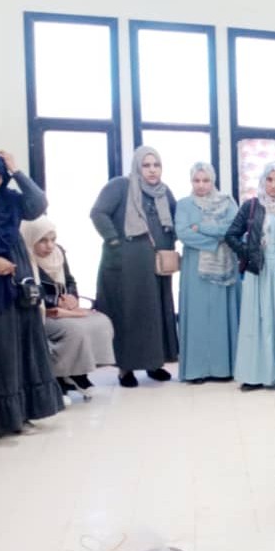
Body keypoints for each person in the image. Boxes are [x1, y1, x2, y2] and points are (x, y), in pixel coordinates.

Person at [0, 150, 62, 444]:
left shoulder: (10, 201)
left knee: (18, 346)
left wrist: (16, 171)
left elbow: (38, 204)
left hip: (15, 283)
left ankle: (17, 415)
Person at [91, 146, 178, 388]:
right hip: (126, 266)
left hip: (156, 266)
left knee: (155, 314)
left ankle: (154, 363)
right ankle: (125, 368)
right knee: (130, 313)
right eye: (146, 165)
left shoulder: (163, 192)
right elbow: (98, 213)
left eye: (156, 165)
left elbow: (175, 218)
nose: (152, 170)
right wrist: (114, 240)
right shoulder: (120, 186)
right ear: (137, 167)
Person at [226, 162, 275, 391]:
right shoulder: (251, 206)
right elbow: (231, 235)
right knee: (257, 321)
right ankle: (254, 375)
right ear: (263, 181)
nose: (273, 185)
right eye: (269, 180)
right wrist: (249, 254)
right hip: (258, 271)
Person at [20, 216, 115, 399]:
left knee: (101, 322)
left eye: (53, 240)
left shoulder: (58, 253)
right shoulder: (24, 257)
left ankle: (76, 373)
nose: (49, 246)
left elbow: (69, 280)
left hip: (64, 310)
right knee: (73, 330)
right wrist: (54, 301)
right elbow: (28, 289)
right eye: (43, 240)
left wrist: (71, 298)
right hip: (39, 313)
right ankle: (61, 379)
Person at [175, 163, 241, 384]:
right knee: (197, 317)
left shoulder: (227, 202)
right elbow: (183, 233)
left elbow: (232, 229)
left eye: (206, 180)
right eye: (197, 180)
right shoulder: (184, 205)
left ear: (213, 181)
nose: (201, 185)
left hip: (225, 267)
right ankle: (196, 370)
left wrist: (201, 228)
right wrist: (214, 241)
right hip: (195, 269)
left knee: (222, 316)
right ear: (191, 181)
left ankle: (224, 369)